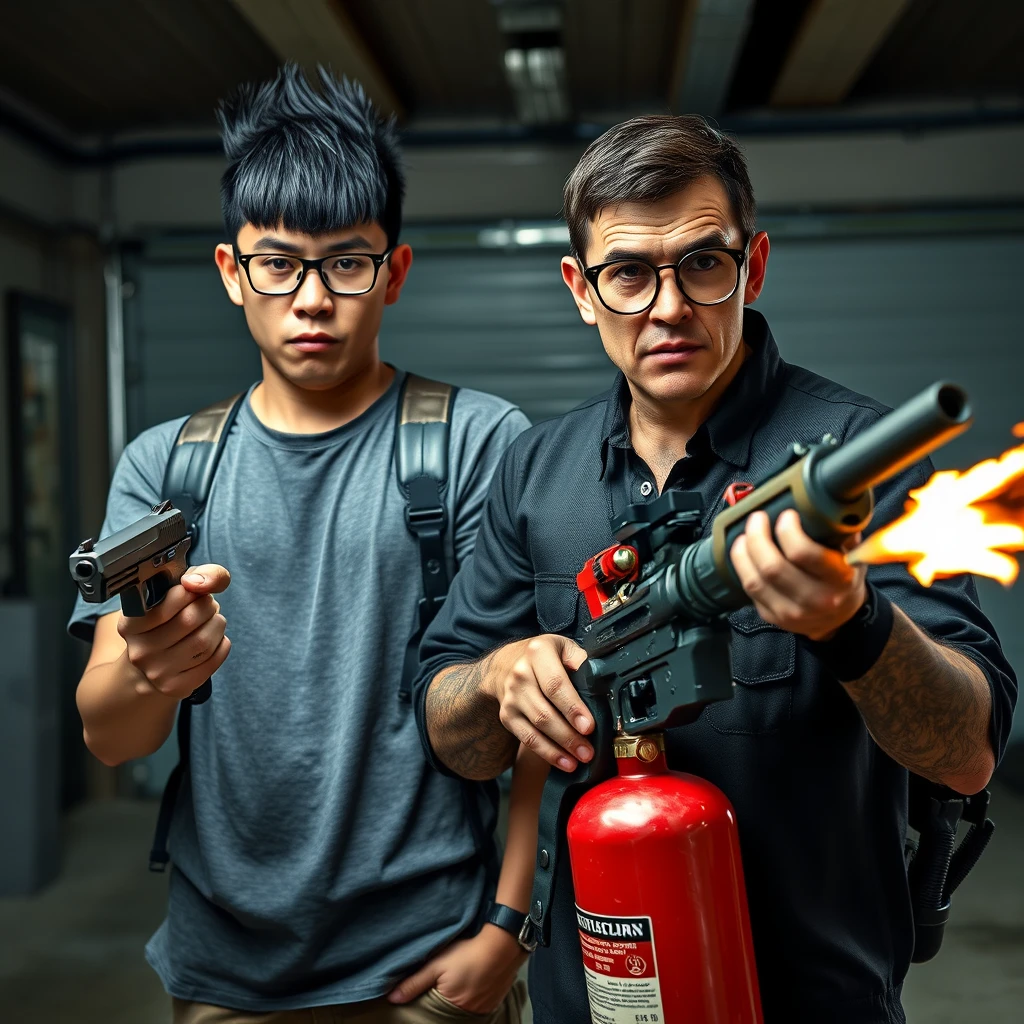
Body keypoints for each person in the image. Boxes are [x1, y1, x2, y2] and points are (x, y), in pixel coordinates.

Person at [412, 115, 1017, 1023]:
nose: (667, 307)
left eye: (703, 262)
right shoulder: (535, 475)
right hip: (596, 1002)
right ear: (581, 289)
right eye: (628, 273)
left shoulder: (861, 460)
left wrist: (852, 624)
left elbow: (966, 754)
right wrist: (497, 680)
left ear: (754, 264)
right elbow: (447, 727)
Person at [69, 65, 533, 1024]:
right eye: (279, 264)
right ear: (233, 273)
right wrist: (155, 666)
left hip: (427, 958)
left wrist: (508, 925)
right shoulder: (166, 468)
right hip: (224, 968)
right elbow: (112, 737)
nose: (311, 299)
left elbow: (535, 712)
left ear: (394, 272)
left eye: (346, 263)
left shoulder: (479, 443)